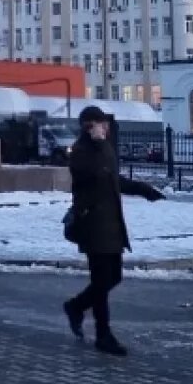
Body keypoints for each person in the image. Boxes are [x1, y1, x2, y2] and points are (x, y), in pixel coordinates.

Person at [62, 105, 165, 355]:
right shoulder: (81, 151)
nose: (106, 127)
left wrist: (144, 190)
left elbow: (113, 179)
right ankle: (103, 335)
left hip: (112, 222)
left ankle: (76, 307)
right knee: (101, 281)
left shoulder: (104, 147)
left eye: (106, 123)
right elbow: (92, 174)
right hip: (92, 224)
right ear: (90, 126)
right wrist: (96, 144)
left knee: (113, 277)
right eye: (101, 123)